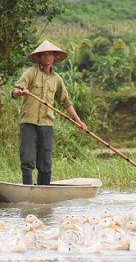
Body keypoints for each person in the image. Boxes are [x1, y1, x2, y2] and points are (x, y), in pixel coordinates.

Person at [12, 40, 88, 185]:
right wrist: (21, 92)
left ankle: (43, 191)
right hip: (29, 122)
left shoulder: (57, 79)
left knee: (45, 160)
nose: (47, 57)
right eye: (44, 55)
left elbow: (66, 102)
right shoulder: (31, 72)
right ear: (39, 57)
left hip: (47, 124)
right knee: (27, 158)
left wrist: (79, 122)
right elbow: (14, 91)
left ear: (54, 57)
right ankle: (27, 190)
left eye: (50, 55)